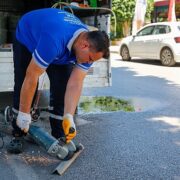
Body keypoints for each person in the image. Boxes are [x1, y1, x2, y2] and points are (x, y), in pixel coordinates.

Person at [7, 8, 110, 154]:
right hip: (28, 36)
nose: (89, 62)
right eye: (91, 59)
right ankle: (19, 131)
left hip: (58, 44)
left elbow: (75, 83)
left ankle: (59, 133)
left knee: (62, 86)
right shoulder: (54, 39)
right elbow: (31, 76)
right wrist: (24, 113)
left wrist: (68, 116)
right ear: (84, 45)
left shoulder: (87, 48)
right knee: (24, 79)